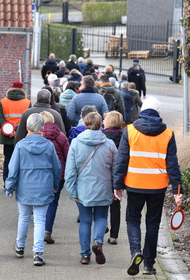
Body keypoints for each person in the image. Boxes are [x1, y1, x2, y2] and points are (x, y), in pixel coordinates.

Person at [113, 96, 183, 276]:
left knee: (133, 220)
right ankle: (148, 264)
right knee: (153, 223)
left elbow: (121, 161)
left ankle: (135, 252)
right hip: (157, 187)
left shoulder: (129, 131)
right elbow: (172, 164)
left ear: (142, 111)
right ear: (158, 113)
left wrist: (118, 185)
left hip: (134, 184)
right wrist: (177, 190)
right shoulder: (168, 134)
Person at [6, 113, 61, 266]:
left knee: (23, 217)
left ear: (27, 127)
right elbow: (57, 168)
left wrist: (9, 187)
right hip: (44, 187)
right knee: (40, 220)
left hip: (24, 187)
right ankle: (38, 253)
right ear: (42, 128)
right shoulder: (49, 145)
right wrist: (55, 186)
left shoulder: (20, 146)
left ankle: (20, 247)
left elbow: (13, 169)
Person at [65, 112, 117, 265]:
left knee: (85, 221)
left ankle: (85, 255)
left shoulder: (75, 142)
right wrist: (116, 189)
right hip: (104, 187)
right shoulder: (109, 144)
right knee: (101, 218)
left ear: (85, 124)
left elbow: (70, 170)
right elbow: (115, 169)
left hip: (82, 189)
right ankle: (98, 242)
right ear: (101, 125)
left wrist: (71, 190)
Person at [40, 111, 69, 244]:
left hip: (39, 173)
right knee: (53, 202)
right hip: (58, 175)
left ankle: (38, 231)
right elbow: (68, 156)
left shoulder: (36, 136)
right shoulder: (61, 137)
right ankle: (47, 231)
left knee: (39, 202)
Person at [0, 81, 31, 185]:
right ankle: (18, 182)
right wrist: (18, 131)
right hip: (22, 136)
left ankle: (7, 181)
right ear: (22, 91)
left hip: (7, 136)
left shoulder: (3, 101)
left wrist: (9, 129)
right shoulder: (27, 102)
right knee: (20, 160)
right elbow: (29, 119)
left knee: (8, 159)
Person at [102, 111, 123, 245]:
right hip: (119, 175)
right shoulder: (125, 137)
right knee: (116, 205)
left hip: (103, 174)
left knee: (102, 203)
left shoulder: (102, 137)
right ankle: (114, 235)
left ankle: (102, 225)